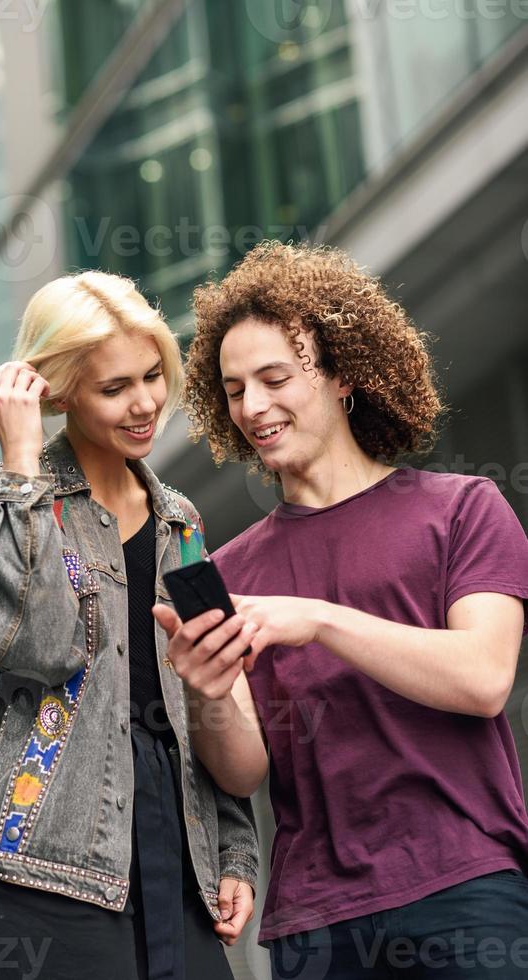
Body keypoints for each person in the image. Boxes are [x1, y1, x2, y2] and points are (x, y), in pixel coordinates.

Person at [154, 241, 528, 979]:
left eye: (274, 378)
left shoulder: (462, 511)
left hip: (466, 888)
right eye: (234, 390)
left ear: (342, 375)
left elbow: (483, 677)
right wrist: (207, 693)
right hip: (317, 926)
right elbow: (241, 774)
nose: (253, 407)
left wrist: (319, 620)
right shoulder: (226, 574)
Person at [0, 270, 257, 980]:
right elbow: (37, 645)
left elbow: (204, 686)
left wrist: (235, 853)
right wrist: (21, 469)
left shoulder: (180, 523)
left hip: (174, 857)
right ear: (57, 392)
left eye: (153, 375)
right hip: (36, 865)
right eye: (114, 388)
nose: (144, 405)